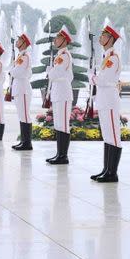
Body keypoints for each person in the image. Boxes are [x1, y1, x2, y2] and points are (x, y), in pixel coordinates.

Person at [90, 23, 123, 183]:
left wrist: (93, 78)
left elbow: (103, 80)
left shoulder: (113, 58)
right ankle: (106, 169)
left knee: (113, 136)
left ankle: (112, 172)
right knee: (107, 135)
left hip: (109, 99)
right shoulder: (106, 57)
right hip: (104, 99)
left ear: (111, 39)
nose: (101, 37)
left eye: (104, 35)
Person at [46, 26, 74, 165]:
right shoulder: (59, 56)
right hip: (58, 92)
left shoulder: (64, 56)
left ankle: (63, 156)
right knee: (58, 124)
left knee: (63, 124)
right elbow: (53, 74)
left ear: (64, 40)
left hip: (63, 93)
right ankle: (59, 154)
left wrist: (50, 71)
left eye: (58, 38)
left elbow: (54, 74)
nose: (55, 40)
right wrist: (51, 72)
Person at [10, 34, 33, 151]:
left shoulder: (25, 56)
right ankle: (23, 141)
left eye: (19, 40)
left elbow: (17, 72)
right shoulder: (20, 56)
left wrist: (11, 70)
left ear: (24, 42)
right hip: (19, 88)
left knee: (25, 115)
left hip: (23, 89)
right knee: (21, 115)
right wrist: (13, 70)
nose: (17, 41)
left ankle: (27, 143)